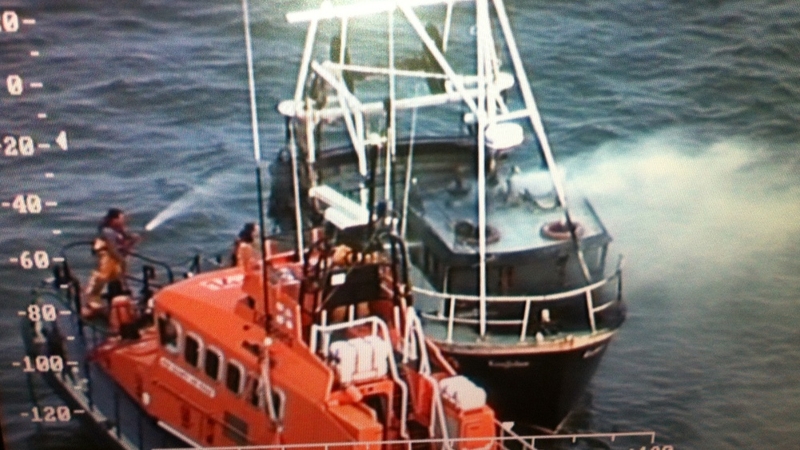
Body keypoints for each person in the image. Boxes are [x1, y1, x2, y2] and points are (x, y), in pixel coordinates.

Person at [83, 208, 140, 318]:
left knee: (117, 277)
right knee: (102, 278)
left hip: (116, 258)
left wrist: (132, 238)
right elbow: (112, 250)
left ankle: (118, 295)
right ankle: (92, 303)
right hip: (108, 258)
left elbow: (124, 238)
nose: (123, 220)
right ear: (114, 220)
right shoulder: (107, 231)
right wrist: (122, 260)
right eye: (121, 218)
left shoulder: (118, 229)